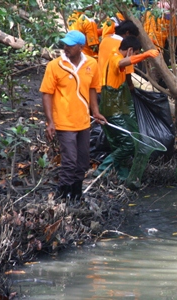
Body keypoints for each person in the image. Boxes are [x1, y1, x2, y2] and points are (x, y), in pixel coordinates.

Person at [40, 30, 107, 200]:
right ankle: (62, 199)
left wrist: (96, 112)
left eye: (70, 45)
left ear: (80, 47)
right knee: (69, 162)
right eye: (65, 44)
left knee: (83, 162)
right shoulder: (55, 66)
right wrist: (50, 122)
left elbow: (93, 88)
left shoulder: (91, 63)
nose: (65, 48)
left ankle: (76, 196)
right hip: (63, 122)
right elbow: (46, 93)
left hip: (83, 122)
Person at [95, 36, 159, 189]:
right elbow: (122, 63)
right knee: (128, 143)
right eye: (134, 52)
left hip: (116, 107)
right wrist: (145, 55)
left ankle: (122, 175)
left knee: (119, 142)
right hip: (112, 109)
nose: (134, 55)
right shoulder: (116, 57)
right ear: (130, 50)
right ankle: (101, 170)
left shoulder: (114, 52)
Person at [98, 20, 140, 93]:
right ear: (127, 33)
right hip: (114, 89)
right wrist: (131, 86)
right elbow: (127, 73)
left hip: (100, 84)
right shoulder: (125, 46)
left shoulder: (105, 39)